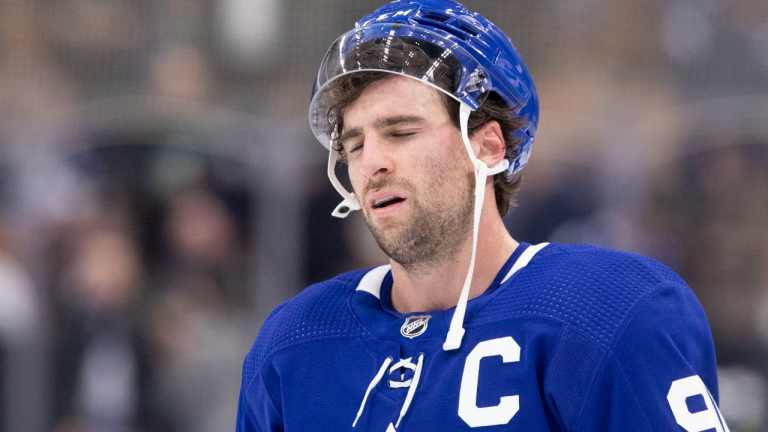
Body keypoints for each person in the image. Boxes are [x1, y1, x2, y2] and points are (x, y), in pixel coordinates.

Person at [236, 1, 728, 431]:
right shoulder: (294, 342)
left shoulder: (607, 312)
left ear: (488, 146)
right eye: (354, 143)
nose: (372, 163)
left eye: (401, 132)